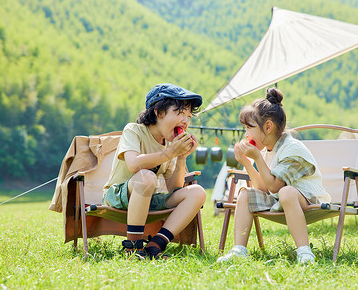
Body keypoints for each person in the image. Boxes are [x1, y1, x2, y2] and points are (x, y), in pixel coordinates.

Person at [217, 87, 331, 264]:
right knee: (245, 194)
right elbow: (263, 187)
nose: (246, 134)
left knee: (286, 192)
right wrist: (248, 163)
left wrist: (256, 157)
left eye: (249, 128)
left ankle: (304, 252)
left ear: (268, 127)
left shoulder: (292, 150)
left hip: (309, 199)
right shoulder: (266, 149)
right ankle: (239, 249)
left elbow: (275, 187)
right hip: (280, 199)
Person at [102, 83, 206, 259]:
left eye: (188, 116)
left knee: (197, 192)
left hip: (149, 198)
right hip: (119, 195)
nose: (185, 121)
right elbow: (134, 164)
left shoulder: (171, 144)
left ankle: (155, 245)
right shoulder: (134, 130)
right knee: (146, 176)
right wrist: (171, 152)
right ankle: (133, 248)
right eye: (180, 113)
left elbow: (174, 187)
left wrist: (181, 156)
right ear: (158, 113)